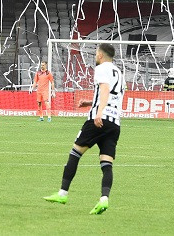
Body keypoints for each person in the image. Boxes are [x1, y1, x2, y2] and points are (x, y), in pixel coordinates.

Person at [44, 43, 123, 216]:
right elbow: (112, 95)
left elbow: (104, 89)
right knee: (106, 163)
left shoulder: (102, 68)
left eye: (96, 53)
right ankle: (104, 199)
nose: (95, 56)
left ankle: (63, 193)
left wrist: (99, 112)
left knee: (75, 153)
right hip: (115, 123)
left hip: (98, 120)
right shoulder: (119, 73)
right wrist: (89, 103)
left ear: (101, 55)